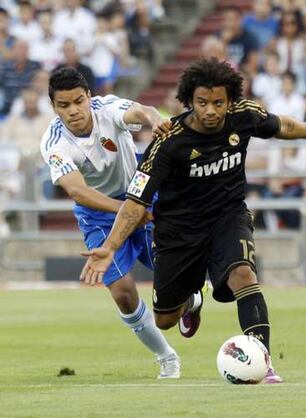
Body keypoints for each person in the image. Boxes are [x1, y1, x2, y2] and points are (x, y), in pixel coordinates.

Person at [80, 58, 306, 383]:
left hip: (228, 217)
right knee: (164, 319)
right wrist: (109, 247)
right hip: (178, 231)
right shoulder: (168, 142)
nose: (210, 110)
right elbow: (136, 203)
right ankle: (192, 299)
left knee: (244, 275)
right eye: (202, 102)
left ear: (230, 100)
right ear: (189, 101)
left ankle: (263, 363)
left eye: (218, 103)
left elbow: (281, 126)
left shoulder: (244, 115)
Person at [40, 67, 180, 379]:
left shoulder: (107, 109)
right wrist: (128, 210)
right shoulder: (54, 143)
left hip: (140, 193)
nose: (74, 110)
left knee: (171, 271)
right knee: (123, 292)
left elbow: (140, 111)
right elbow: (78, 191)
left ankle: (190, 298)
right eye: (64, 105)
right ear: (54, 107)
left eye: (79, 101)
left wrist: (154, 120)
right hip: (99, 214)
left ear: (89, 96)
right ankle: (166, 356)